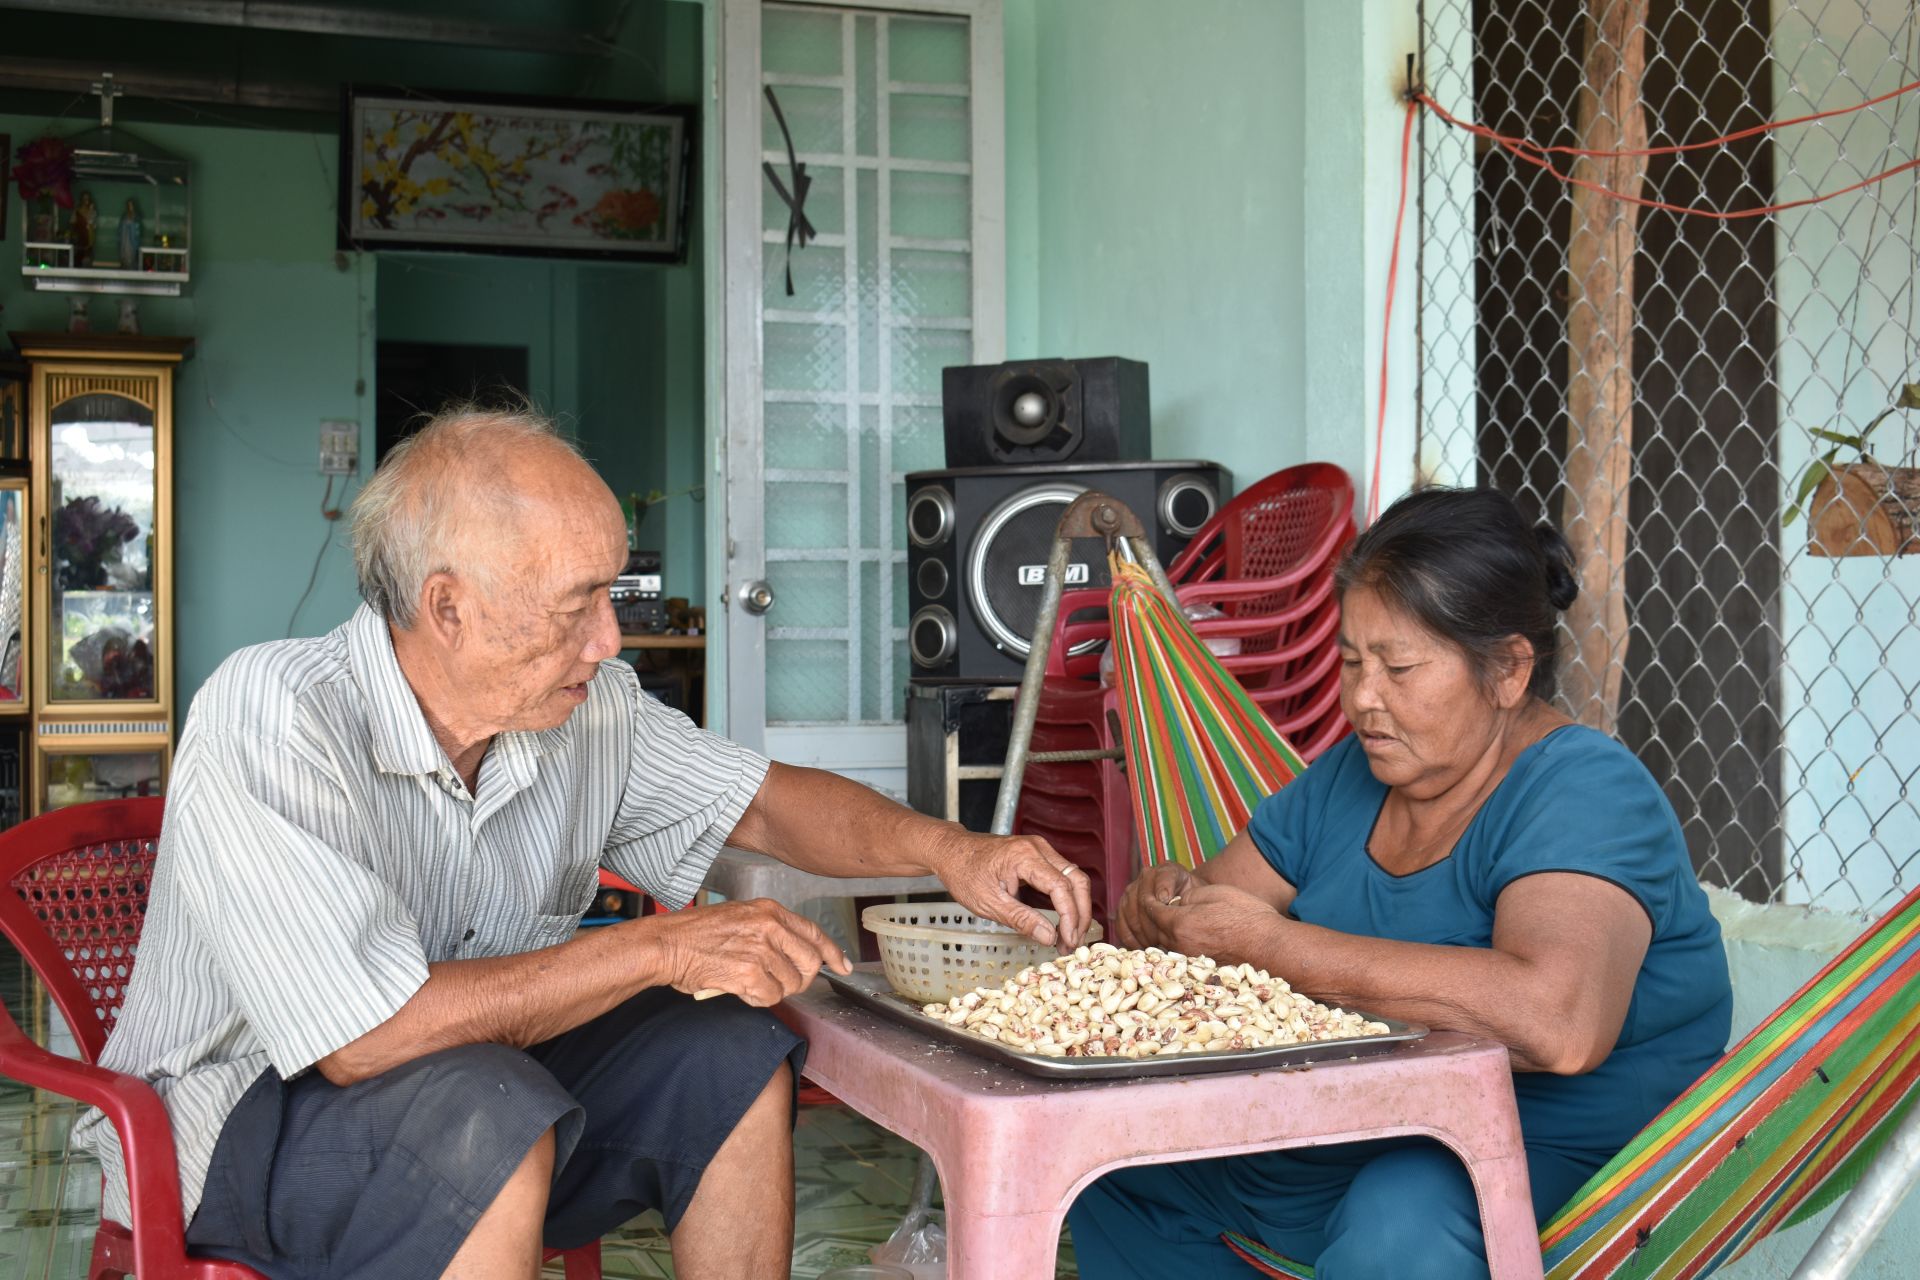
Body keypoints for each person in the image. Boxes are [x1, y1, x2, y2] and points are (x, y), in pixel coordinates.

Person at [75, 405, 1093, 1280]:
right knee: (488, 1112)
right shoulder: (276, 711)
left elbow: (765, 804)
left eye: (614, 593)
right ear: (447, 608)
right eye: (577, 606)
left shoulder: (588, 707)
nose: (610, 640)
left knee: (729, 1051)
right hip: (248, 1116)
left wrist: (951, 849)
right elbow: (363, 1038)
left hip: (495, 1078)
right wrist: (660, 946)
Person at [1070, 486, 1732, 1279]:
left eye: (1400, 667)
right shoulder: (1351, 779)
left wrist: (1270, 947)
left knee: (1399, 1221)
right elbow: (1214, 919)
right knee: (1114, 1165)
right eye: (1351, 662)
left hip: (1555, 1161)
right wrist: (1166, 909)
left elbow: (1558, 1023)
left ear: (1509, 669)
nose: (1362, 699)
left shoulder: (1583, 790)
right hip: (1362, 1132)